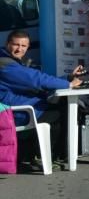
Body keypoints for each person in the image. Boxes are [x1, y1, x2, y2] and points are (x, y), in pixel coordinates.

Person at [1, 29, 84, 159]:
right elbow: (36, 80)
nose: (19, 49)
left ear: (28, 47)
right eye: (16, 44)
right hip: (14, 113)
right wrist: (68, 84)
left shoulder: (9, 61)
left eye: (23, 46)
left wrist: (68, 78)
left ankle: (59, 153)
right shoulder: (6, 64)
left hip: (18, 107)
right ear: (7, 44)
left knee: (61, 105)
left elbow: (36, 80)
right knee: (60, 111)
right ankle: (54, 155)